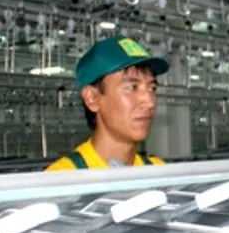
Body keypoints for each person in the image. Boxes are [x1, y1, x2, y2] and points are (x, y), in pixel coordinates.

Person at [46, 35, 170, 171]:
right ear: (92, 98)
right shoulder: (63, 177)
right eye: (132, 87)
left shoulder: (158, 171)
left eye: (152, 88)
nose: (150, 102)